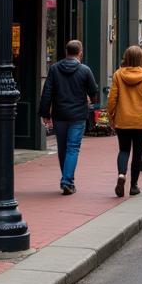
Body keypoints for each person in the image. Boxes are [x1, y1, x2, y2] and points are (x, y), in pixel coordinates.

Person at [38, 39, 99, 194]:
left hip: (59, 114)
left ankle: (67, 179)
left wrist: (45, 113)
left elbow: (47, 92)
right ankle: (67, 181)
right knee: (73, 148)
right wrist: (91, 101)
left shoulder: (54, 69)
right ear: (80, 53)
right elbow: (94, 91)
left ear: (67, 52)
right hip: (78, 115)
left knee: (63, 147)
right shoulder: (85, 70)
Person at [107, 44, 142, 198]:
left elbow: (111, 100)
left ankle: (122, 175)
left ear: (126, 57)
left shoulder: (118, 75)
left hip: (123, 120)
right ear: (141, 58)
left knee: (123, 150)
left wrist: (111, 115)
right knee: (137, 153)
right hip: (141, 121)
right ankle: (134, 186)